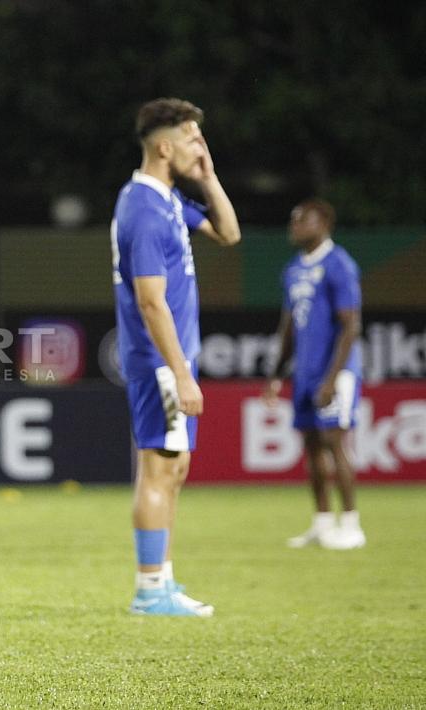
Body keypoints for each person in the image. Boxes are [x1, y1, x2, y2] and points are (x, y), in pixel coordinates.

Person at [111, 98, 241, 616]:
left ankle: (162, 580)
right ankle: (149, 589)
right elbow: (149, 299)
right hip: (158, 360)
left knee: (173, 466)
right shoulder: (142, 208)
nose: (200, 147)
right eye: (192, 139)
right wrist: (182, 375)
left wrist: (208, 178)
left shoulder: (166, 199)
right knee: (160, 467)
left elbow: (229, 234)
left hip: (170, 360)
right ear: (164, 147)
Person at [263, 199, 365, 550]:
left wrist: (333, 378)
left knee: (335, 443)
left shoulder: (339, 265)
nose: (294, 226)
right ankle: (322, 524)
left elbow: (351, 325)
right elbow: (289, 327)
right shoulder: (293, 269)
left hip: (335, 372)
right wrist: (277, 374)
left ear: (323, 222)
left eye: (301, 220)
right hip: (305, 373)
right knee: (310, 447)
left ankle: (351, 525)